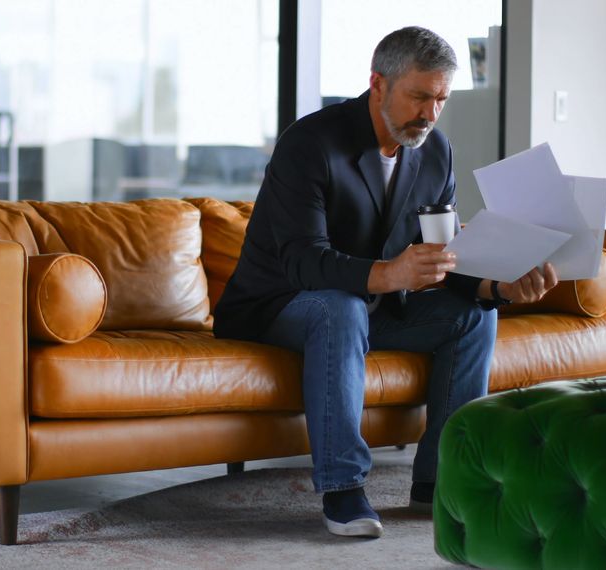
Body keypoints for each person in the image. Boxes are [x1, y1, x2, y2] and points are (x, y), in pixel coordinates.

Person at [212, 26, 558, 538]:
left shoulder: (436, 151)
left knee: (471, 318)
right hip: (277, 304)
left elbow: (444, 257)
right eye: (419, 96)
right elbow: (303, 261)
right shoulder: (310, 143)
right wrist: (388, 273)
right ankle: (343, 487)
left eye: (440, 99)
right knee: (340, 306)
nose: (430, 113)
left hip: (367, 308)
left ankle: (441, 483)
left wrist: (498, 289)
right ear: (378, 83)